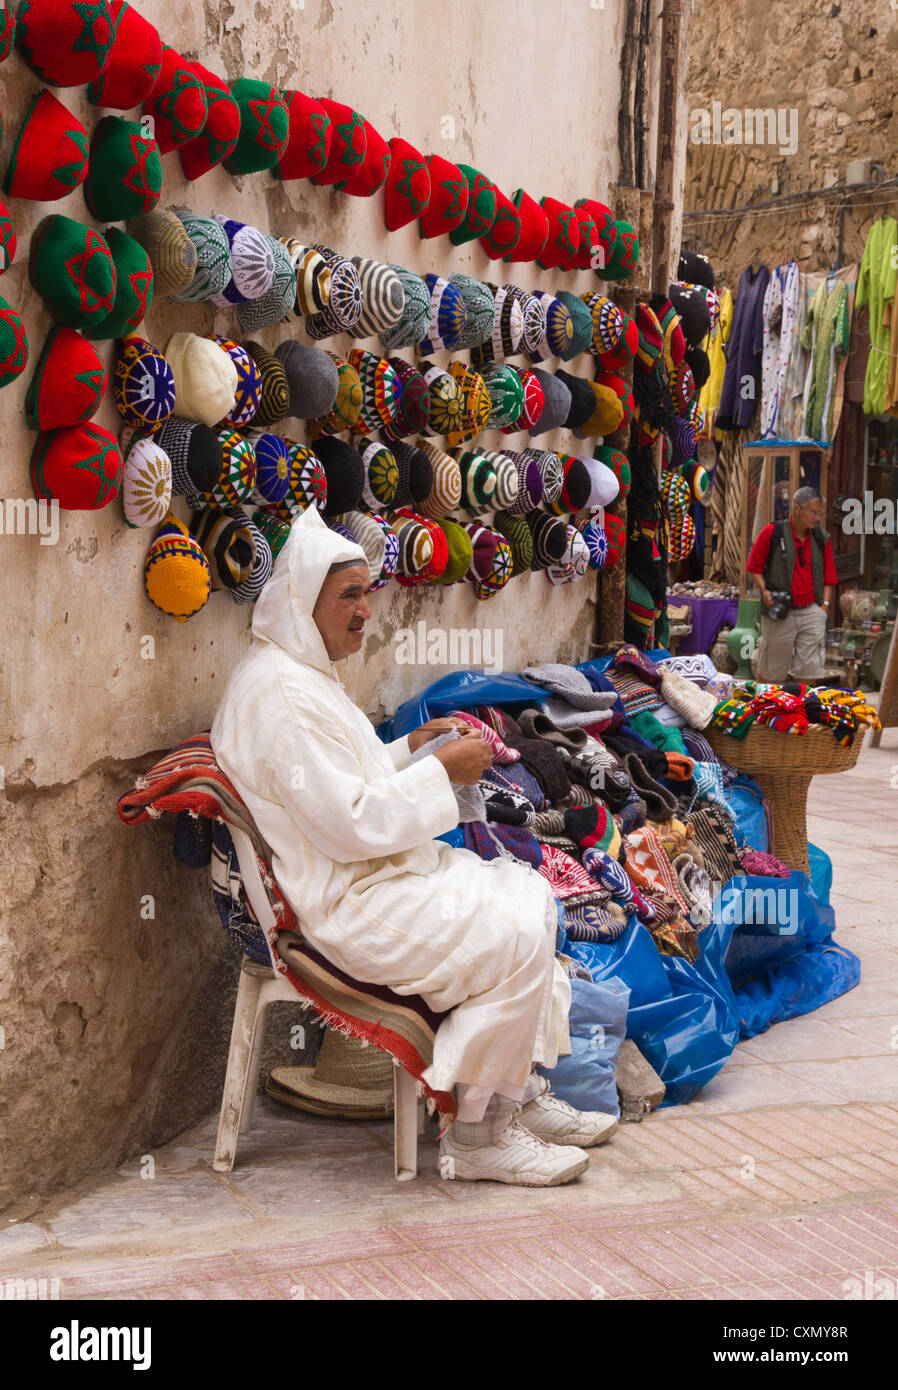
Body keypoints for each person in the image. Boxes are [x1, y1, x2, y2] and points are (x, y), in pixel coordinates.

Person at [212, 506, 617, 1187]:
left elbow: (347, 783)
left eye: (366, 593)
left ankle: (511, 1097)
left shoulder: (299, 676)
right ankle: (481, 1134)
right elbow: (350, 822)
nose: (365, 611)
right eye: (349, 595)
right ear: (304, 603)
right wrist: (443, 773)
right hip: (341, 905)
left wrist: (412, 749)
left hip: (362, 878)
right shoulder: (281, 696)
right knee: (512, 927)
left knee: (528, 897)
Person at [746, 486, 837, 683]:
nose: (817, 518)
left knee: (809, 672)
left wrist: (824, 608)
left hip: (812, 611)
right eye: (813, 512)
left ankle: (801, 710)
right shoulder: (773, 532)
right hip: (780, 610)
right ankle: (769, 709)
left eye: (820, 513)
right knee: (771, 671)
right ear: (797, 509)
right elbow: (754, 567)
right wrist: (764, 590)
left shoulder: (821, 538)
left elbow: (830, 578)